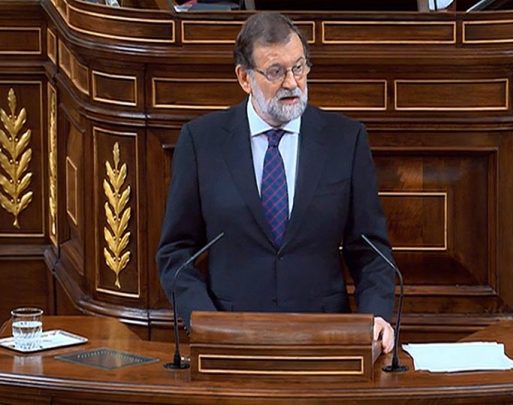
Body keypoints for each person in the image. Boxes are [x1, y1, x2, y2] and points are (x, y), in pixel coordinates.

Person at [156, 12, 396, 353]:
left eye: (299, 67)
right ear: (244, 77)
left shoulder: (345, 139)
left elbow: (370, 250)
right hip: (230, 340)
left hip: (326, 340)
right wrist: (205, 323)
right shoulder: (202, 142)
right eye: (275, 72)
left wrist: (376, 315)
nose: (292, 83)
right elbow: (175, 252)